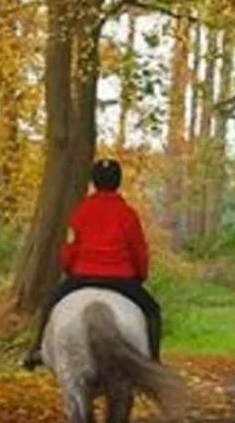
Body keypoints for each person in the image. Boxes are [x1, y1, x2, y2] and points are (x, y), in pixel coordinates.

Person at [20, 157, 163, 368]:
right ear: (118, 182)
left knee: (49, 305)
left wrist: (69, 269)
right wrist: (139, 276)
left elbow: (69, 249)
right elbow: (139, 251)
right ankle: (153, 361)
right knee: (153, 312)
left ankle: (36, 350)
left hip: (82, 276)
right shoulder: (128, 214)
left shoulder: (81, 211)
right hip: (122, 278)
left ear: (94, 182)